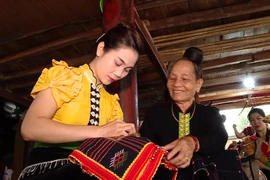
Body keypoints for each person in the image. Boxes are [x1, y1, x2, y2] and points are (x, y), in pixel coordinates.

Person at [18, 22, 144, 180]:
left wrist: (131, 140)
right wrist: (100, 131)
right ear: (101, 49)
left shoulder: (112, 103)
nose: (119, 73)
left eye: (127, 70)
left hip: (88, 170)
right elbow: (30, 128)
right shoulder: (66, 78)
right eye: (118, 63)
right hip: (48, 168)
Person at [139, 47, 228, 179]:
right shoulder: (154, 113)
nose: (177, 84)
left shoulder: (210, 113)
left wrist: (193, 142)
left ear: (198, 84)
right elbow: (145, 146)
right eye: (172, 78)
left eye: (185, 79)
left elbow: (220, 138)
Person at [246, 108, 270, 178]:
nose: (256, 122)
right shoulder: (249, 141)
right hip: (265, 173)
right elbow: (253, 161)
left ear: (265, 119)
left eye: (258, 118)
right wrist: (268, 168)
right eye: (252, 120)